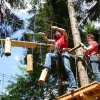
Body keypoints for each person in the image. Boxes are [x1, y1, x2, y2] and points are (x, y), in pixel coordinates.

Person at [43, 26, 77, 91]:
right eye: (55, 33)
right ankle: (47, 67)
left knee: (68, 69)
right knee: (48, 55)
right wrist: (43, 35)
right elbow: (47, 40)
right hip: (58, 54)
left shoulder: (64, 37)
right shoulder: (56, 40)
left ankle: (74, 86)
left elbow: (64, 30)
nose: (56, 33)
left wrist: (56, 28)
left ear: (59, 32)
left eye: (57, 32)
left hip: (64, 53)